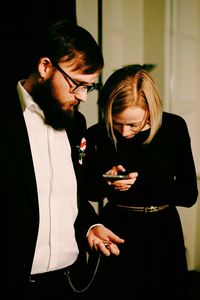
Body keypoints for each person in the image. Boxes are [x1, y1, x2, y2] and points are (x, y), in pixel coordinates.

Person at [1, 20, 125, 300]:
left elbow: (72, 194)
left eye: (89, 87)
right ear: (45, 67)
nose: (81, 96)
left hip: (68, 282)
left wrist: (90, 226)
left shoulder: (75, 123)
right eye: (77, 84)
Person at [83, 65, 199, 300]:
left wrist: (142, 183)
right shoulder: (96, 134)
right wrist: (106, 183)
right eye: (116, 123)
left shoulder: (174, 128)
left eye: (133, 125)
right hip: (115, 230)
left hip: (163, 231)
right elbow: (89, 193)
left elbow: (189, 195)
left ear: (151, 110)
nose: (124, 132)